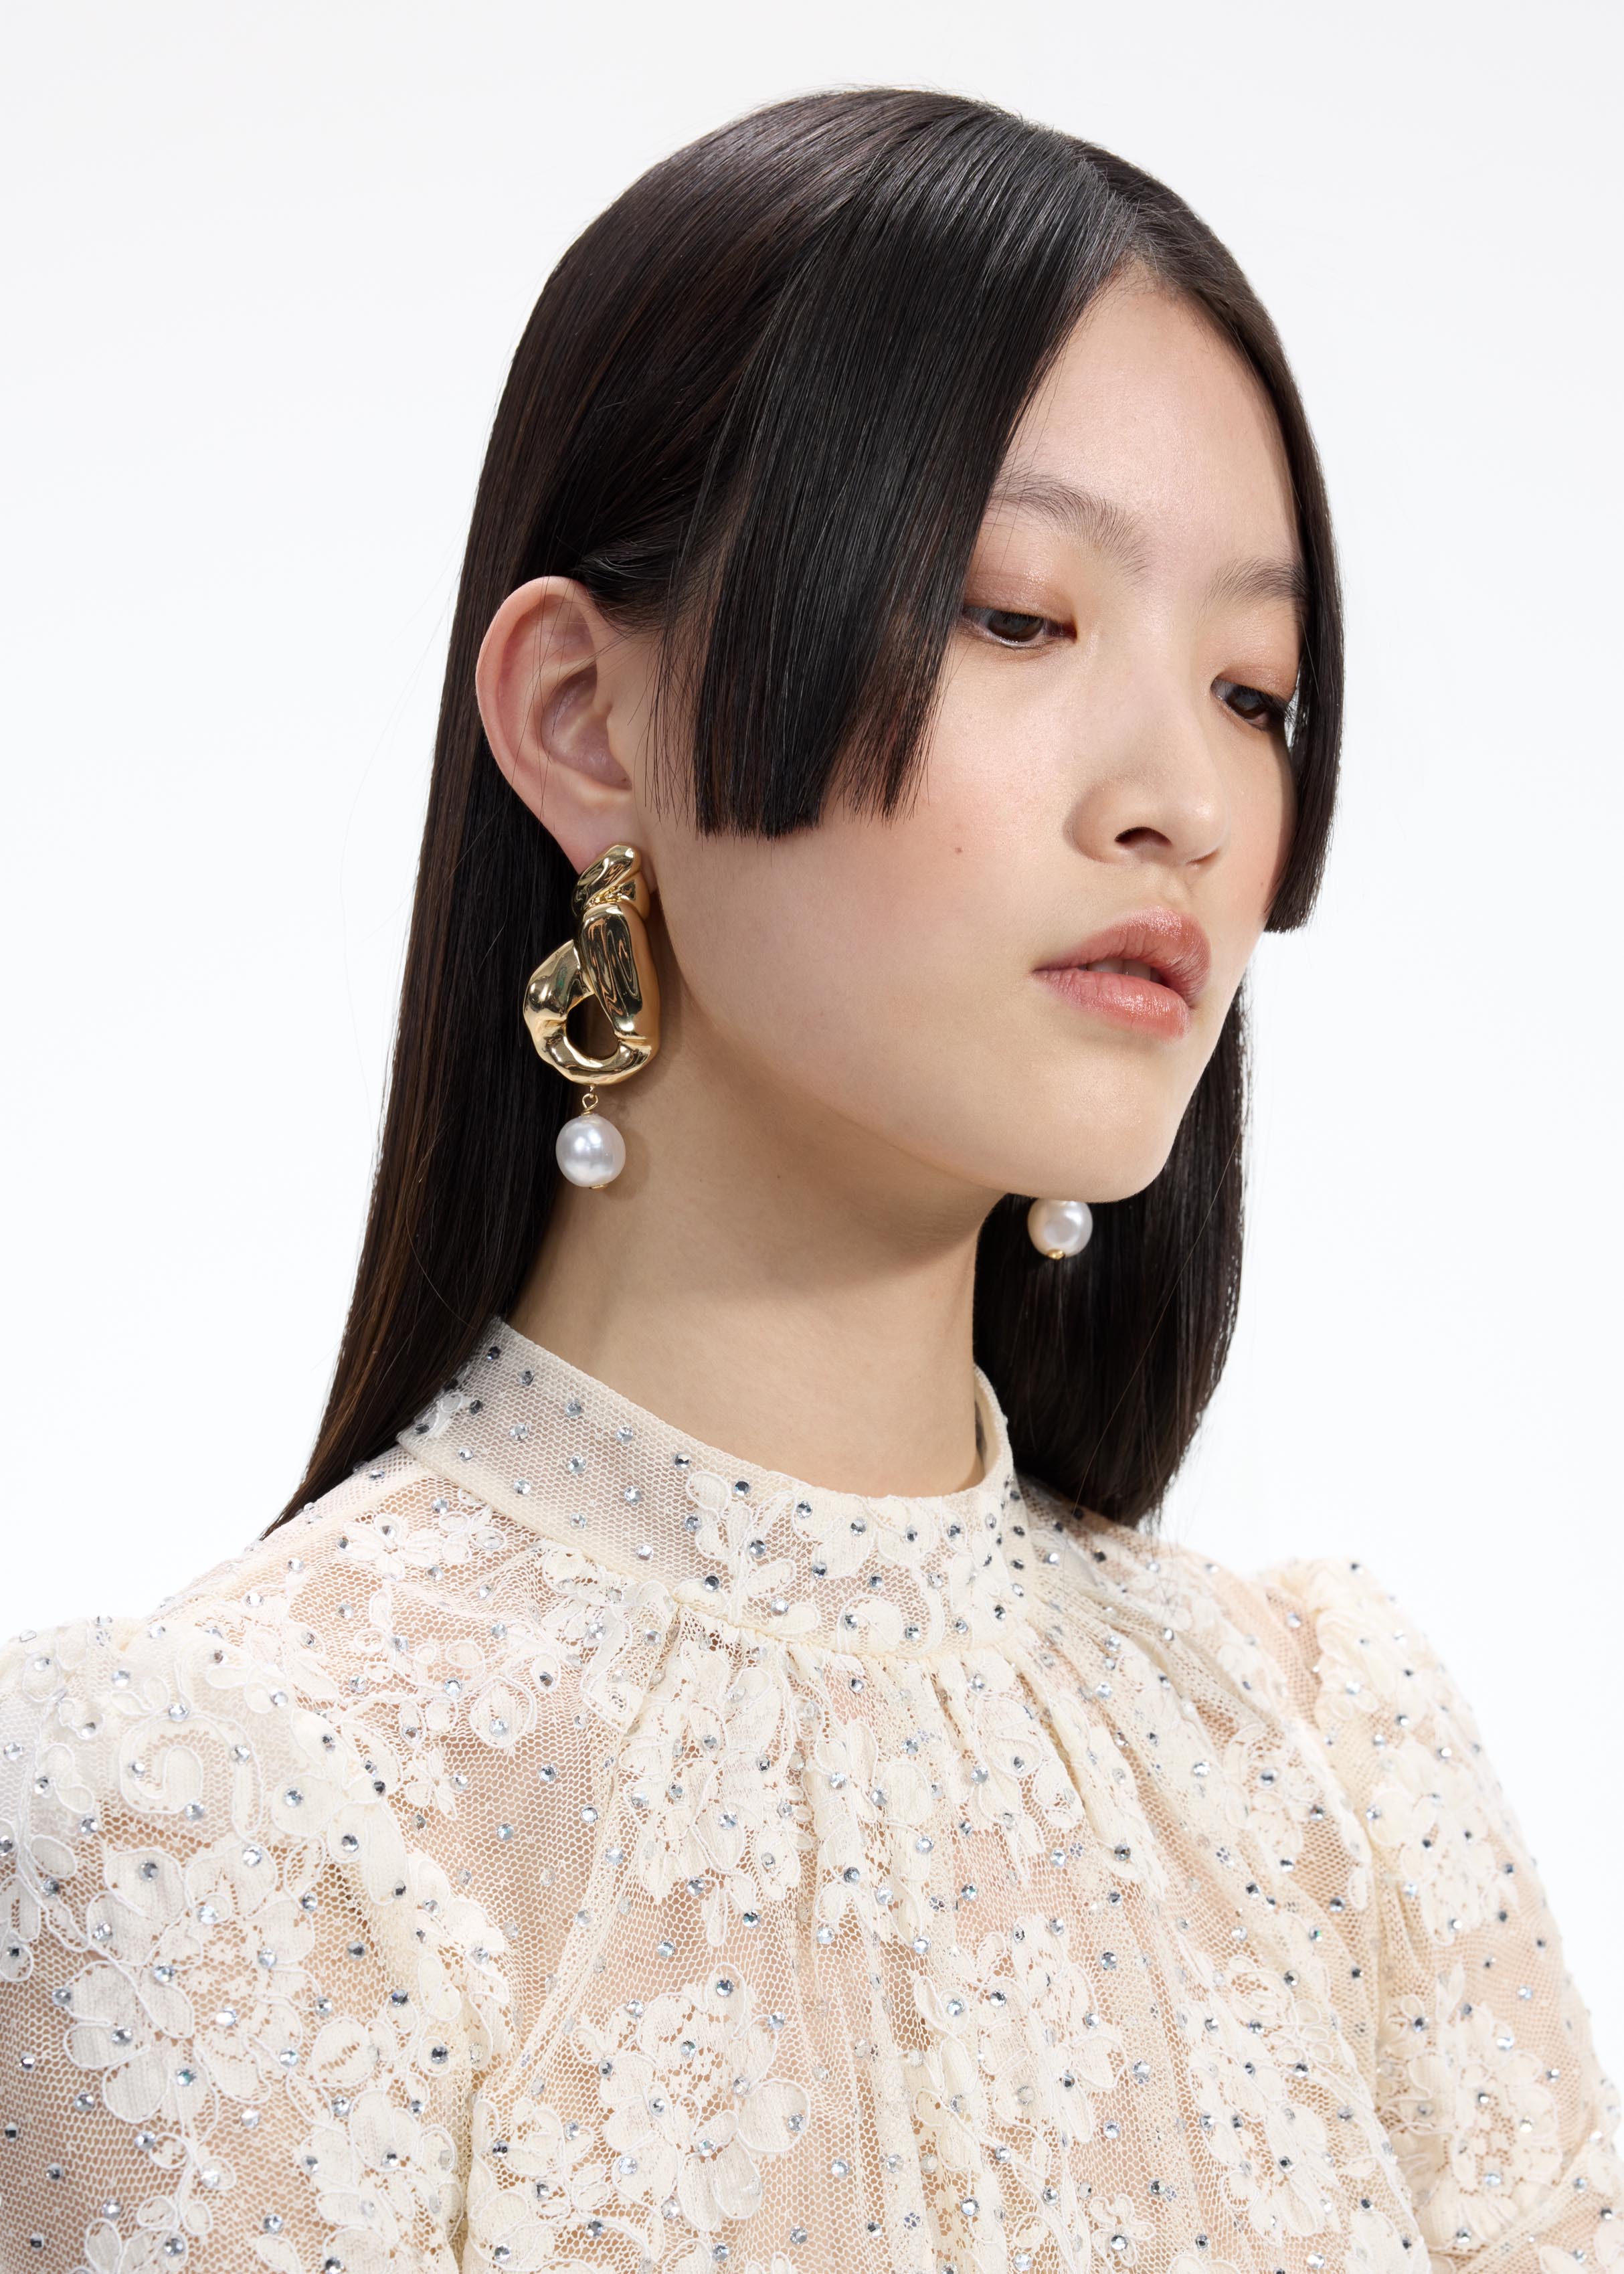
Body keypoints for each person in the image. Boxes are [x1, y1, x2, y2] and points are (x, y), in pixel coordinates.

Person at [1, 86, 1615, 2274]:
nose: (1183, 798)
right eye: (1013, 617)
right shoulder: (226, 1812)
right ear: (585, 720)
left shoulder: (1333, 1762)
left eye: (1255, 689)